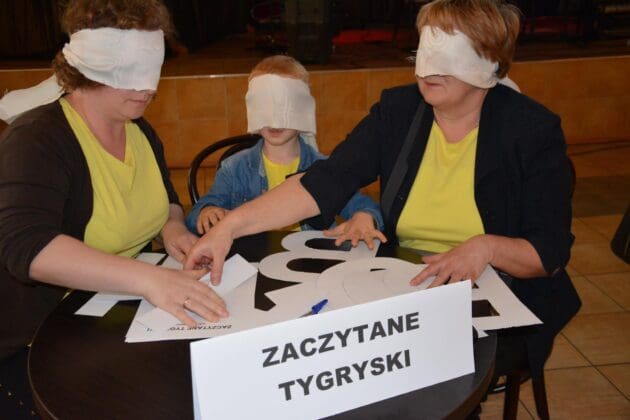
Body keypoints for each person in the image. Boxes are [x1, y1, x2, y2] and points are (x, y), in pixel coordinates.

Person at [185, 0, 581, 390]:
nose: (429, 68)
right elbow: (322, 183)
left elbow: (549, 252)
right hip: (406, 284)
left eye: (449, 53)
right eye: (426, 49)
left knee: (427, 379)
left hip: (499, 297)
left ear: (489, 62)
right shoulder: (399, 111)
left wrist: (486, 247)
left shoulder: (531, 130)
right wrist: (228, 228)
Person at [0, 0, 229, 369]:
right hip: (35, 346)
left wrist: (171, 228)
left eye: (152, 71)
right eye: (130, 74)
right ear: (88, 66)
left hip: (113, 323)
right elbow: (27, 246)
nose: (147, 89)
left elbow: (166, 197)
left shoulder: (138, 128)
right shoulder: (37, 139)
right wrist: (149, 279)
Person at [186, 55, 383, 235]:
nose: (275, 122)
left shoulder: (325, 170)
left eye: (285, 109)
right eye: (264, 107)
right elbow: (196, 213)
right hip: (254, 257)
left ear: (304, 110)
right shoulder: (234, 168)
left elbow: (366, 206)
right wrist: (207, 212)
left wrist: (364, 216)